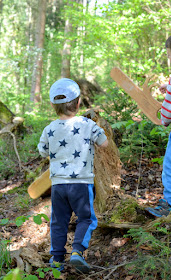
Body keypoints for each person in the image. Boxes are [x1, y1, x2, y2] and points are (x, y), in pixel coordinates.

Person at [38, 78, 108, 273]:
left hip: (58, 185)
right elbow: (104, 143)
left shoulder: (49, 129)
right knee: (86, 218)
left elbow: (42, 151)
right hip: (81, 184)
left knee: (58, 221)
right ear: (78, 103)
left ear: (53, 106)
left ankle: (57, 259)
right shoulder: (87, 124)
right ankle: (77, 251)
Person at [146, 29, 171, 217]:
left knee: (170, 166)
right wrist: (169, 88)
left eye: (169, 55)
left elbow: (169, 112)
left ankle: (168, 204)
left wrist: (164, 120)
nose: (169, 59)